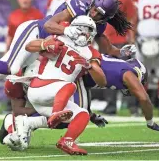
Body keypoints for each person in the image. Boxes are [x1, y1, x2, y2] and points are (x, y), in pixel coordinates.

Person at [0, 0, 135, 96]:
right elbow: (50, 24)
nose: (93, 14)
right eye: (94, 10)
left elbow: (107, 49)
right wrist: (67, 30)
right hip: (36, 31)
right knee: (11, 66)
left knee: (1, 75)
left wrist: (122, 53)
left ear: (106, 17)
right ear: (92, 2)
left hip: (46, 49)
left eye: (99, 14)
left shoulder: (99, 26)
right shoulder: (78, 6)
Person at [0, 55, 159, 152]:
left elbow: (86, 89)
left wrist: (91, 114)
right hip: (68, 74)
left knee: (74, 115)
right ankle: (26, 123)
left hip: (74, 76)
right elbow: (144, 98)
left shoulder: (119, 67)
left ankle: (15, 123)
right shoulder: (129, 73)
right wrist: (150, 121)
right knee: (72, 116)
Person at [19, 16, 106, 155]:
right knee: (70, 86)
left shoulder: (91, 53)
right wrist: (45, 45)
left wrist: (89, 66)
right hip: (40, 88)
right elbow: (28, 46)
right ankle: (55, 114)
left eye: (91, 31)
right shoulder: (60, 37)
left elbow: (102, 82)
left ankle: (67, 141)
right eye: (86, 30)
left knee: (83, 114)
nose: (88, 34)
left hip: (56, 98)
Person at [94, 0, 137, 115]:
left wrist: (132, 36)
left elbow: (132, 17)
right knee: (107, 73)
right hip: (104, 41)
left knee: (129, 73)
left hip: (122, 40)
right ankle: (111, 105)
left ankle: (132, 106)